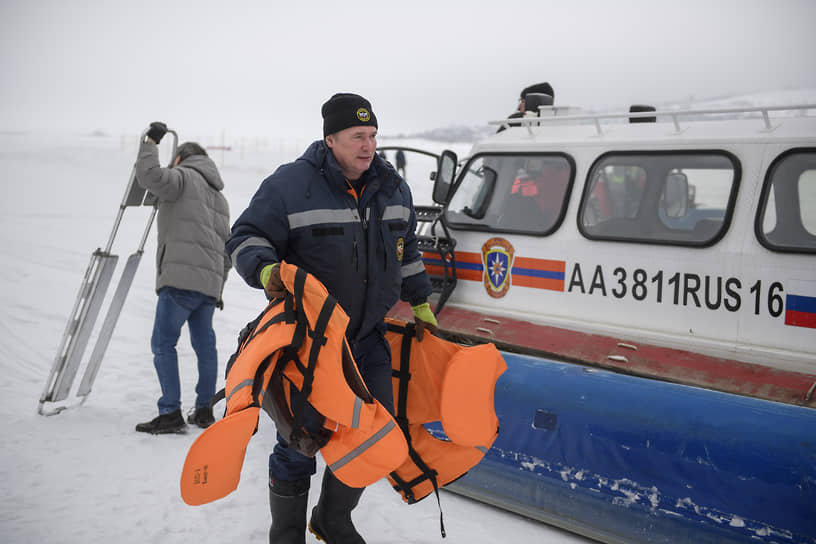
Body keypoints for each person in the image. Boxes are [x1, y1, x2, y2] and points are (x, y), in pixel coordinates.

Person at [226, 93, 438, 544]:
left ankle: (332, 517)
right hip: (310, 340)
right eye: (358, 136)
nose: (369, 145)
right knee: (301, 440)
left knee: (378, 431)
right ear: (331, 139)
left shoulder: (394, 188)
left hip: (367, 338)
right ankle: (286, 533)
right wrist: (264, 269)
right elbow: (245, 236)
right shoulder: (290, 185)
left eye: (373, 135)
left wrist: (420, 300)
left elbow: (408, 251)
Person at [134, 122, 231, 435]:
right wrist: (218, 286)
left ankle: (170, 412)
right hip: (208, 287)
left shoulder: (183, 177)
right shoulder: (220, 199)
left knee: (163, 343)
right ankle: (204, 410)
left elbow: (150, 176)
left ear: (180, 159)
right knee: (205, 347)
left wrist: (151, 141)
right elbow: (227, 250)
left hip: (179, 281)